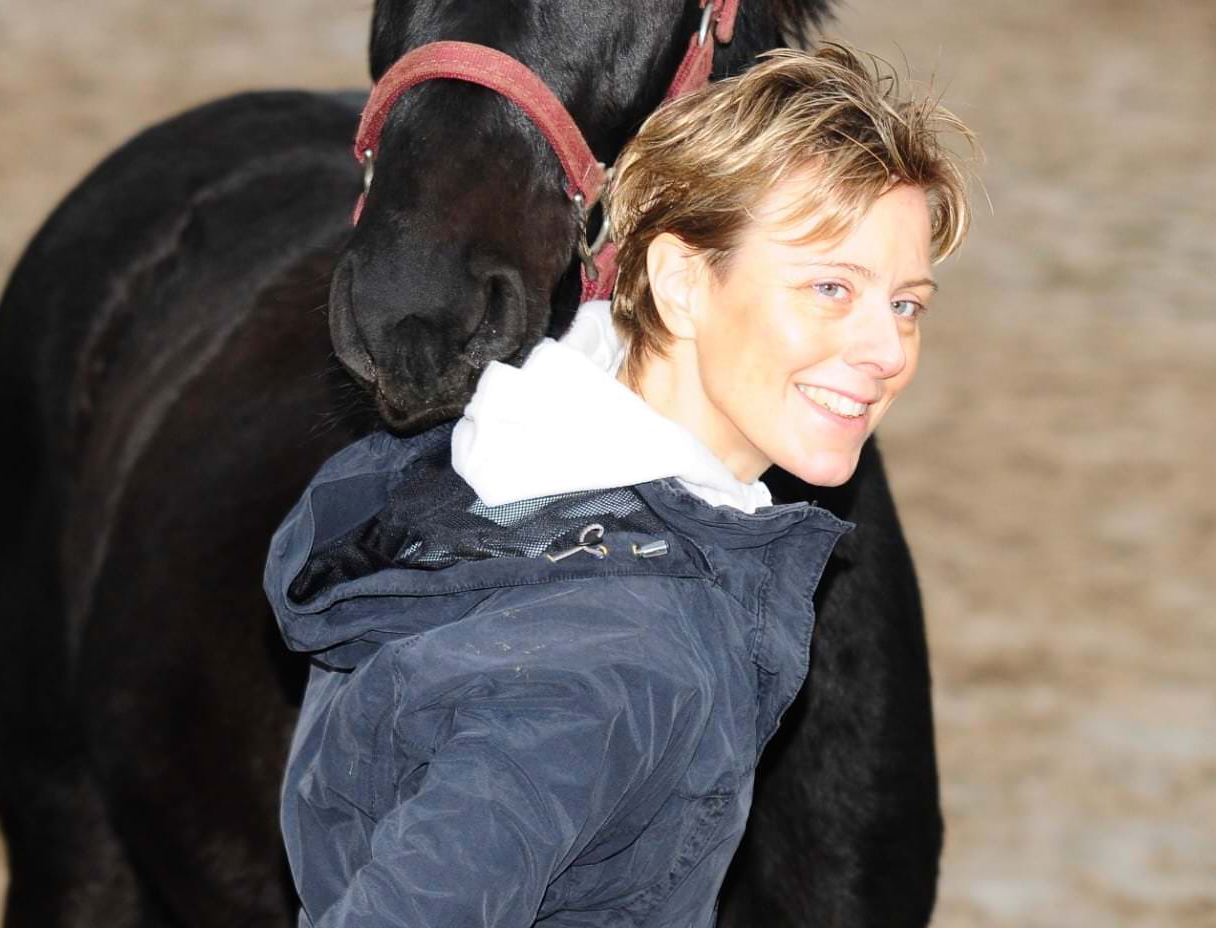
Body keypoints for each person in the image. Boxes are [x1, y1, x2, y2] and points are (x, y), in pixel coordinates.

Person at [264, 45, 975, 928]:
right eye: (831, 287)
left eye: (906, 304)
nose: (887, 351)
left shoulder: (488, 475)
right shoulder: (616, 662)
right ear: (680, 283)